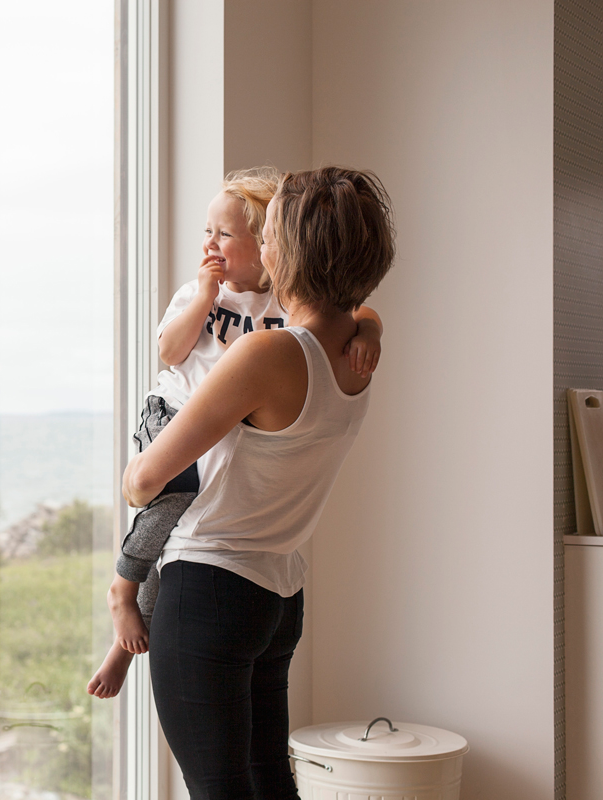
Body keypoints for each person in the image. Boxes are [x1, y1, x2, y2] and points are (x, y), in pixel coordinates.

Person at [120, 166, 396, 800]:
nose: (263, 249)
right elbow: (364, 314)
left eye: (270, 236)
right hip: (277, 595)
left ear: (291, 253)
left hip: (210, 588)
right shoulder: (356, 351)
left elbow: (142, 484)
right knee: (271, 785)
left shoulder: (268, 354)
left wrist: (141, 456)